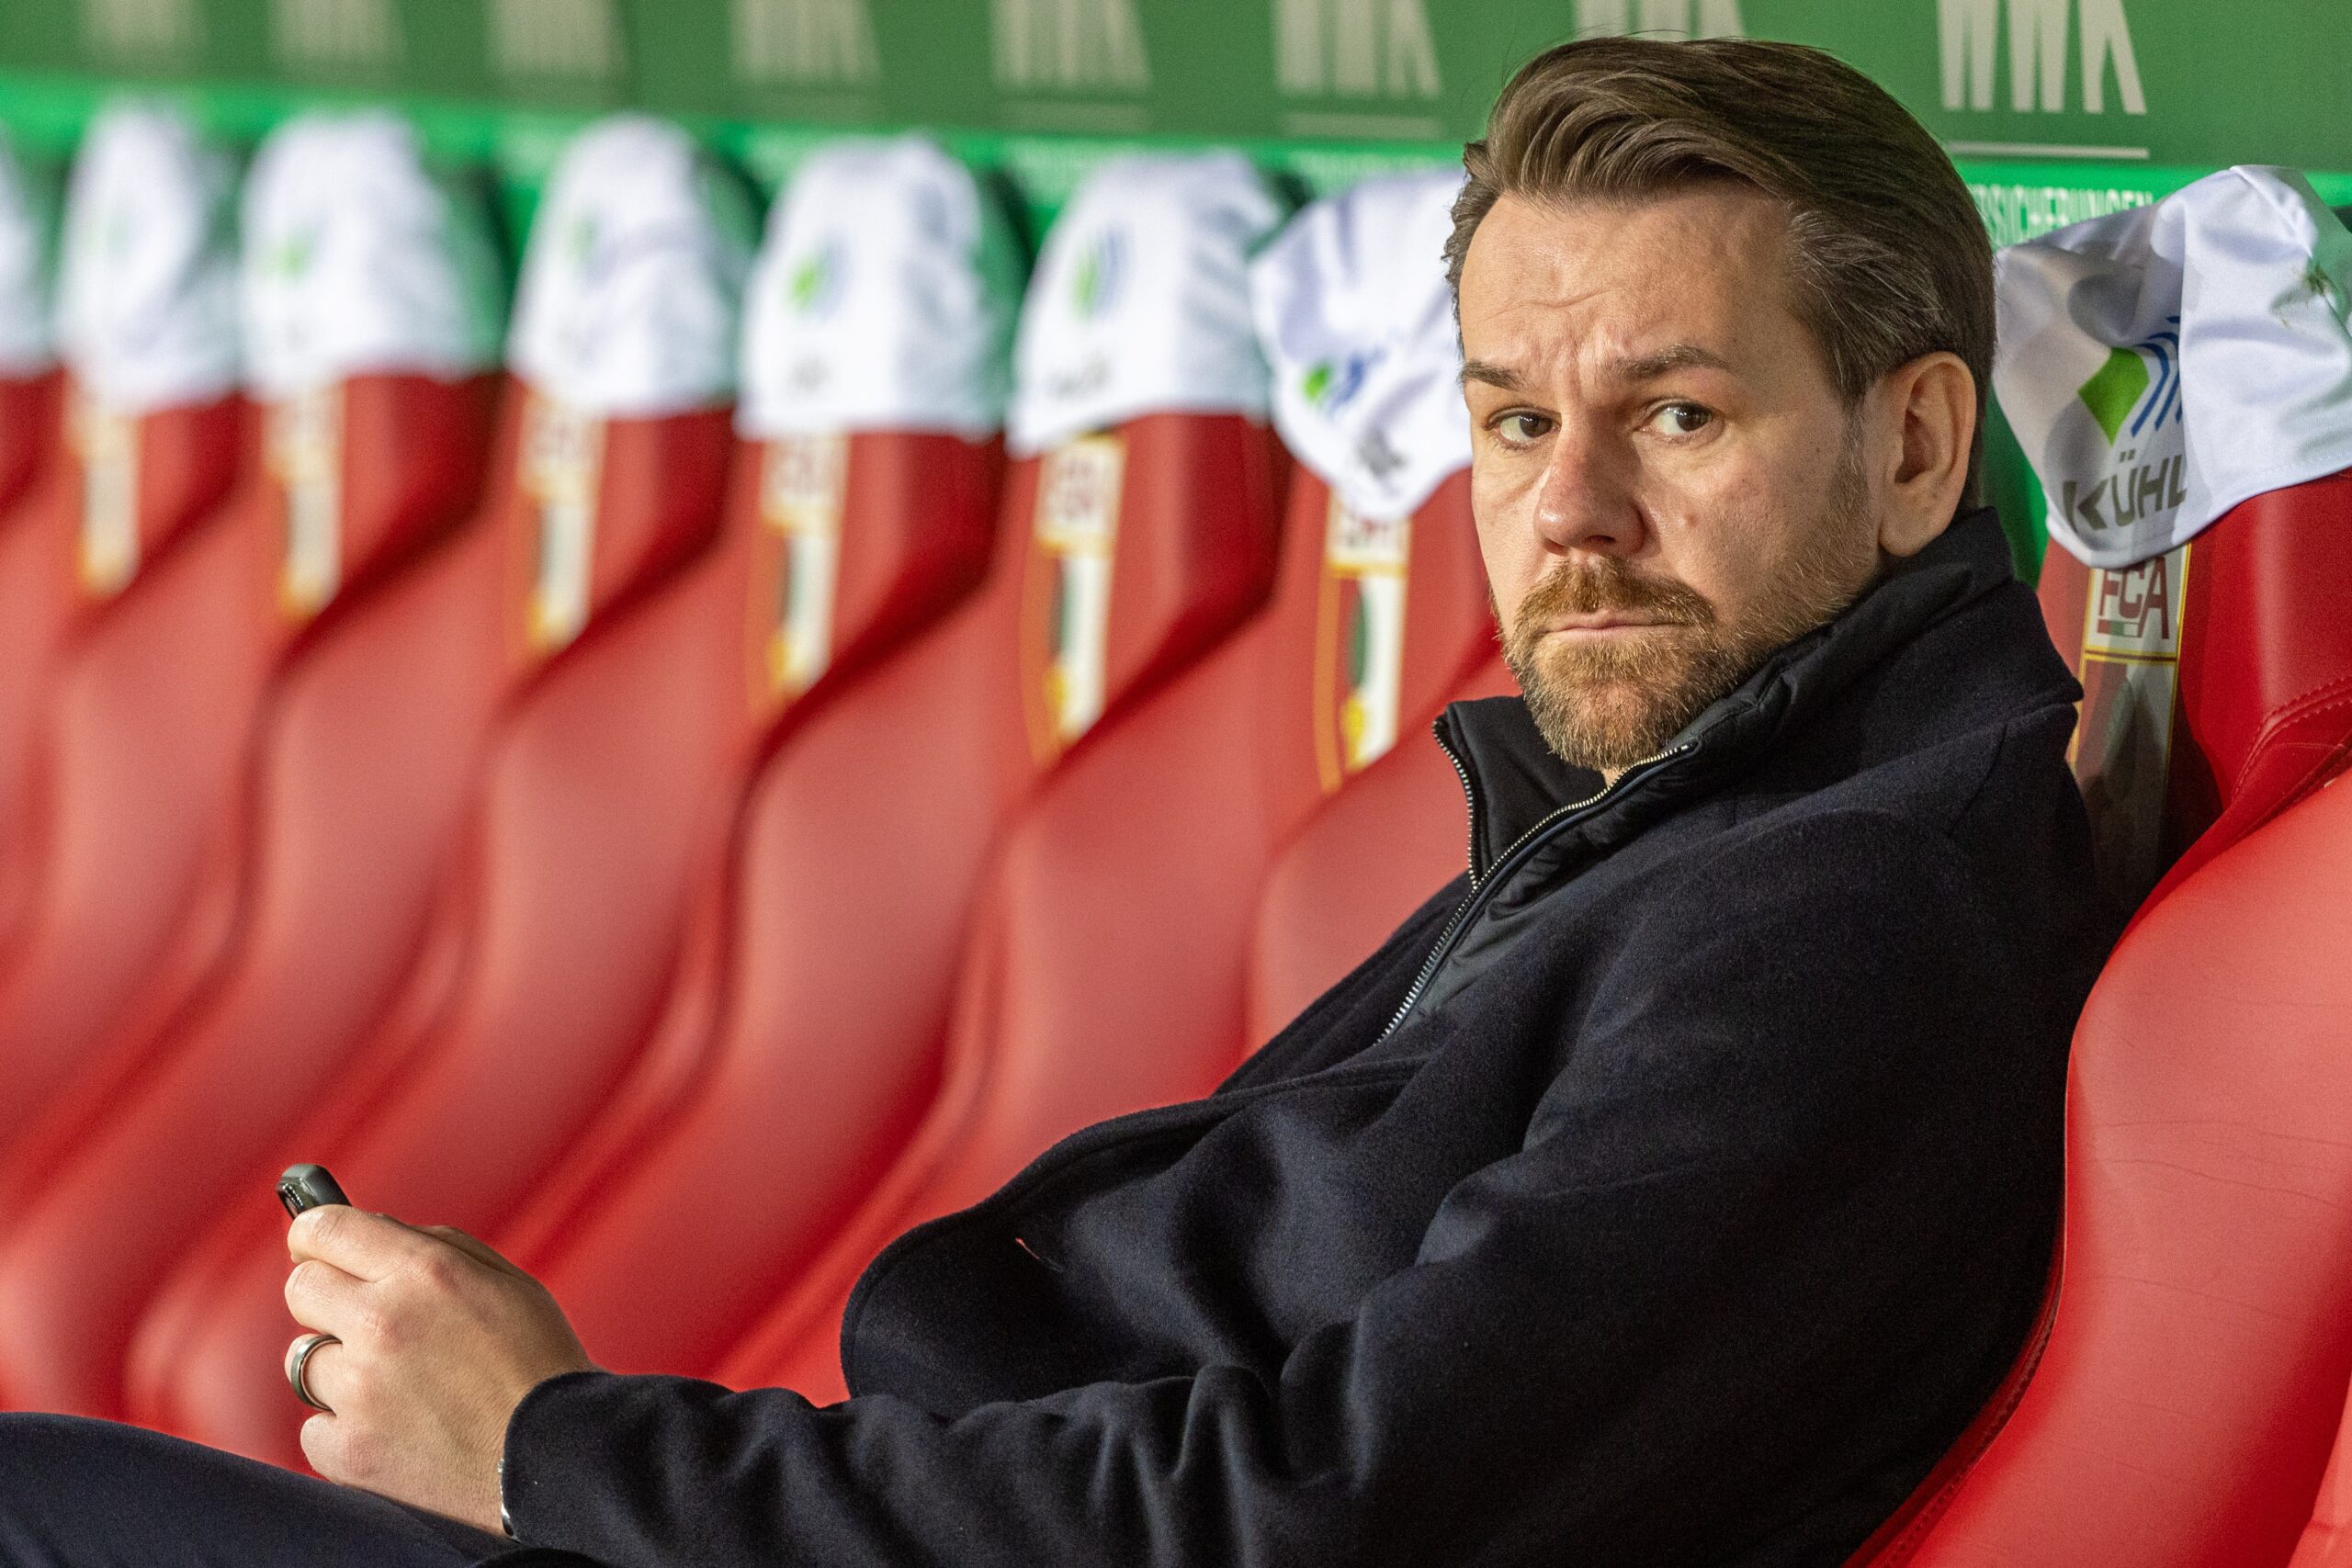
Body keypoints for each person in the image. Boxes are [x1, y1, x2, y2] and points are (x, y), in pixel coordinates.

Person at [0, 37, 2116, 1568]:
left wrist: (555, 1450)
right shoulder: (1699, 812)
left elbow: (1317, 1511)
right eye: (1506, 421)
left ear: (1916, 447)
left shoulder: (1837, 919)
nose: (1566, 511)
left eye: (1675, 415)